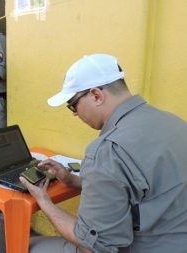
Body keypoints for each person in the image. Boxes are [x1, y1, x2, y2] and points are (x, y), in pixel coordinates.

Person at [20, 54, 187, 253]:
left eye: (73, 105)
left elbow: (96, 245)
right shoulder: (174, 122)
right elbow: (137, 189)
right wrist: (72, 180)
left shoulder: (107, 151)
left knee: (28, 246)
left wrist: (43, 200)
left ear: (96, 95)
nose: (74, 113)